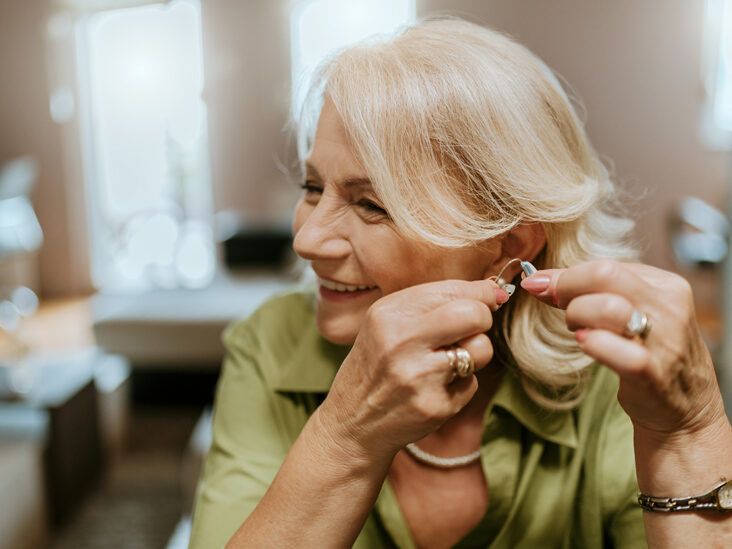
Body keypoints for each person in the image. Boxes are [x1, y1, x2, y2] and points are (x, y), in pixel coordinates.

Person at [190, 18, 732, 548]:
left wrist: (690, 435)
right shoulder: (269, 344)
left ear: (512, 247)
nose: (307, 239)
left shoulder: (612, 375)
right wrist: (346, 436)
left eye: (373, 205)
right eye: (312, 187)